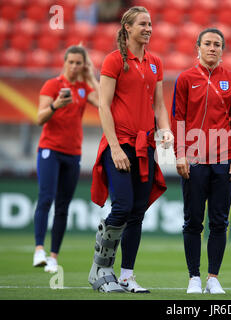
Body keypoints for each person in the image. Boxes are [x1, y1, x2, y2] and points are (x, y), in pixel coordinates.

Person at [88, 6, 173, 293]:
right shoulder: (113, 61)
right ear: (127, 28)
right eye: (142, 24)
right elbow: (103, 105)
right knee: (122, 206)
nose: (148, 28)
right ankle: (100, 269)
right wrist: (114, 147)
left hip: (144, 145)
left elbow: (159, 104)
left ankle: (126, 276)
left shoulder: (156, 62)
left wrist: (165, 131)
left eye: (150, 24)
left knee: (137, 211)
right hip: (120, 144)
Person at [171, 28, 231, 294]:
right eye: (208, 43)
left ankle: (213, 277)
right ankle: (194, 277)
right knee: (193, 221)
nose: (212, 48)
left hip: (223, 159)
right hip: (194, 159)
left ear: (222, 50)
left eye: (217, 44)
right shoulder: (185, 78)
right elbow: (178, 118)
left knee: (219, 221)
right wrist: (179, 153)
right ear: (197, 47)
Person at [33, 45, 99, 273]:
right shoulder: (52, 85)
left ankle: (53, 257)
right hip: (49, 149)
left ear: (83, 65)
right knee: (46, 198)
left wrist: (91, 76)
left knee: (63, 206)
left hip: (73, 153)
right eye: (70, 62)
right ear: (64, 62)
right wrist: (55, 105)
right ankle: (39, 249)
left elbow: (103, 103)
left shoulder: (82, 87)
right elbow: (40, 118)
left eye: (78, 63)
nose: (73, 66)